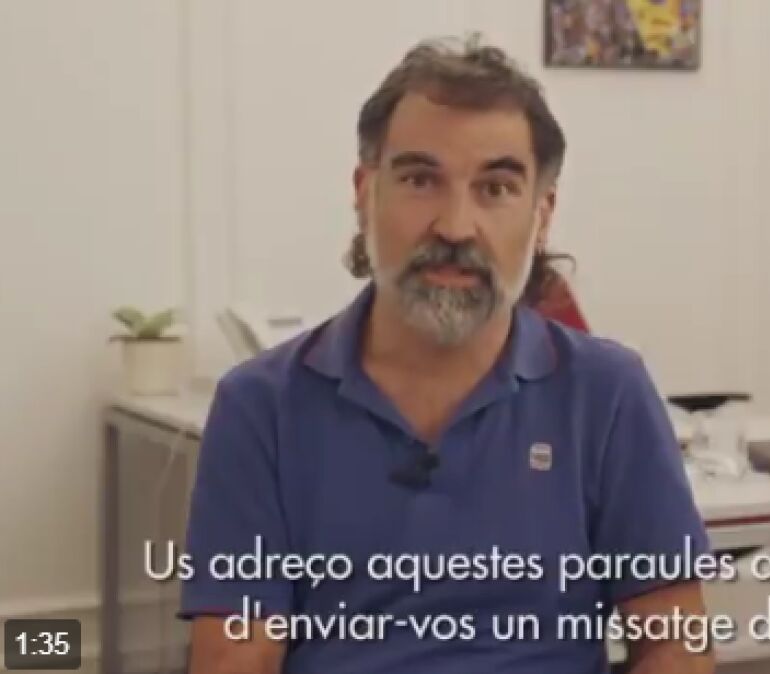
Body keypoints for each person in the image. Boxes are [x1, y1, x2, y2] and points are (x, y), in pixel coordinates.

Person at [180, 36, 715, 674]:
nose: (456, 226)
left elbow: (675, 644)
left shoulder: (608, 391)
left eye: (496, 188)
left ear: (542, 213)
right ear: (365, 193)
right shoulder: (260, 405)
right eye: (420, 180)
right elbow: (236, 656)